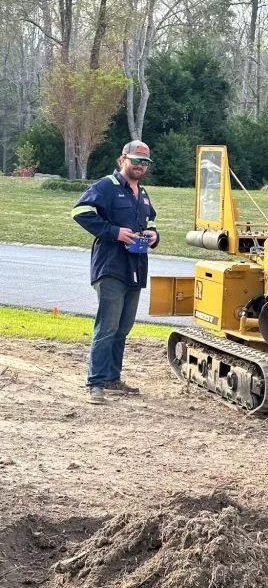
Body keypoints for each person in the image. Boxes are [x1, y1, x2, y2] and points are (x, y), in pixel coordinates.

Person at [72, 140, 160, 403]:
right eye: (135, 161)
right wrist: (114, 232)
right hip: (110, 266)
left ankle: (113, 379)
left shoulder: (142, 193)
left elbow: (151, 221)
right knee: (107, 327)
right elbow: (80, 211)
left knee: (123, 327)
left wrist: (153, 236)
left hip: (135, 266)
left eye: (144, 163)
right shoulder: (106, 186)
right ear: (122, 159)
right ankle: (95, 383)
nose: (140, 167)